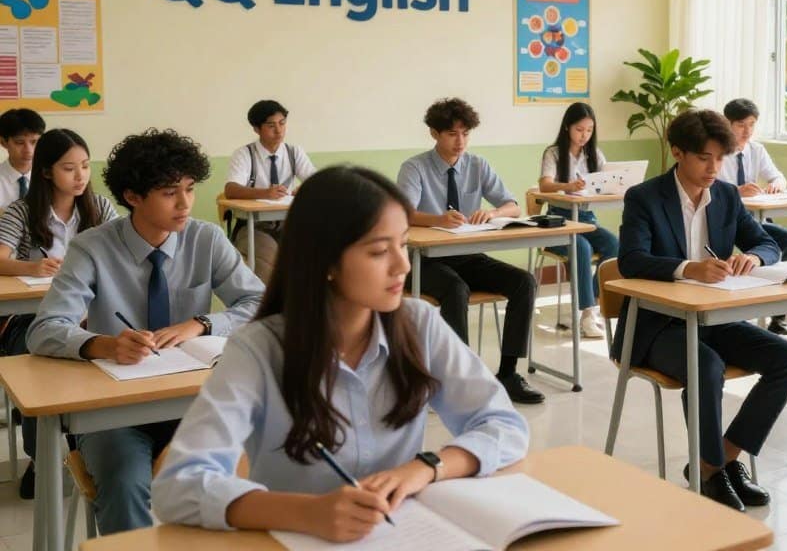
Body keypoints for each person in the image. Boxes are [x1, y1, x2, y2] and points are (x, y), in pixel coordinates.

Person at [152, 166, 528, 541]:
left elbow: (503, 425)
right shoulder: (258, 349)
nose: (402, 266)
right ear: (326, 262)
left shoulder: (419, 323)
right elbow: (178, 486)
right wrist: (307, 512)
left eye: (404, 244)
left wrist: (426, 467)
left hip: (400, 533)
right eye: (380, 251)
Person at [26, 129, 264, 534]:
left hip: (192, 401)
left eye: (190, 188)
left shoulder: (205, 239)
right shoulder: (91, 248)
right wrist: (103, 345)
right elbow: (44, 329)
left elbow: (260, 303)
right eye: (170, 192)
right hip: (114, 409)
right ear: (133, 197)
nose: (187, 203)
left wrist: (203, 323)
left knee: (239, 474)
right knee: (124, 482)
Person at [614, 109, 787, 512]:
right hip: (656, 326)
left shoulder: (728, 195)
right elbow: (631, 260)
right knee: (707, 367)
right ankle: (714, 471)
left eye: (721, 158)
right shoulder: (644, 197)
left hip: (712, 318)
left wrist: (753, 257)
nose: (714, 168)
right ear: (678, 153)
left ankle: (719, 460)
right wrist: (688, 269)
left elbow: (769, 243)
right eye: (704, 158)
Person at [397, 98, 543, 404]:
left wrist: (493, 213)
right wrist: (438, 219)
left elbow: (513, 205)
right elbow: (403, 212)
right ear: (434, 134)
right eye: (452, 134)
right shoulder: (415, 167)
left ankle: (507, 373)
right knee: (456, 289)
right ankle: (459, 379)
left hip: (466, 255)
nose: (460, 141)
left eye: (465, 133)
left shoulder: (478, 165)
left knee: (524, 282)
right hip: (422, 260)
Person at [0, 128, 117, 499]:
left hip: (92, 313)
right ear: (47, 171)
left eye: (84, 166)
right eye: (69, 168)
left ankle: (98, 449)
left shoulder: (100, 209)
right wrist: (30, 268)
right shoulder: (19, 211)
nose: (80, 175)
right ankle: (41, 457)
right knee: (40, 364)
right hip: (30, 318)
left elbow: (124, 259)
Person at [718, 98, 787, 336]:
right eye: (741, 125)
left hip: (752, 219)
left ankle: (779, 316)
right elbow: (708, 189)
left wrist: (775, 184)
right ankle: (738, 309)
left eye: (752, 125)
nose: (747, 131)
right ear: (728, 124)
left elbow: (778, 177)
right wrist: (736, 191)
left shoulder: (756, 149)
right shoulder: (717, 151)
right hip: (724, 221)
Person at [537, 102, 619, 339]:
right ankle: (586, 315)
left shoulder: (595, 155)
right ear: (567, 128)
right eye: (579, 129)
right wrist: (567, 186)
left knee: (614, 245)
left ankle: (590, 302)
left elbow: (607, 182)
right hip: (558, 221)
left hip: (586, 219)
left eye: (589, 130)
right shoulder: (553, 153)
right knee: (581, 246)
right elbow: (545, 184)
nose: (584, 136)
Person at [223, 99, 317, 281]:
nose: (279, 130)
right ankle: (268, 308)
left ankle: (302, 307)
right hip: (254, 226)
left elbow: (316, 179)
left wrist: (307, 188)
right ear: (256, 129)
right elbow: (231, 189)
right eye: (271, 125)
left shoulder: (293, 152)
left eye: (282, 123)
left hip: (289, 224)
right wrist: (265, 193)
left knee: (318, 256)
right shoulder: (245, 154)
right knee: (268, 265)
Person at [0, 108, 45, 208]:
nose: (28, 150)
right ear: (3, 142)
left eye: (34, 142)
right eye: (19, 143)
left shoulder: (49, 175)